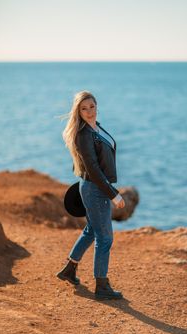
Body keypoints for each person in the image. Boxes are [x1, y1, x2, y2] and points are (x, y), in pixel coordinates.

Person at [57, 90, 125, 300]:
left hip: (94, 186)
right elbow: (93, 169)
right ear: (78, 111)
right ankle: (102, 286)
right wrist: (114, 194)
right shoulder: (83, 134)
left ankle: (69, 269)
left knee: (91, 230)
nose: (89, 112)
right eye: (84, 109)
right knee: (105, 238)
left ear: (97, 106)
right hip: (94, 188)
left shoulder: (96, 127)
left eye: (92, 107)